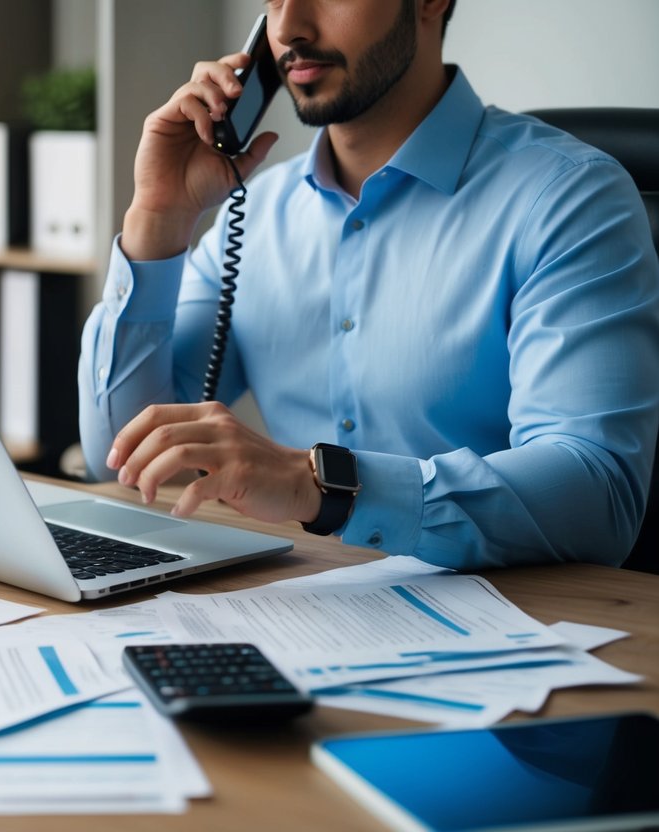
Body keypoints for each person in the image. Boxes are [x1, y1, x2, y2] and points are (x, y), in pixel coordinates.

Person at [78, 0, 659, 570]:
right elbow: (118, 459)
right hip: (303, 608)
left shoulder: (570, 198)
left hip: (512, 628)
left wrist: (322, 487)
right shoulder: (254, 213)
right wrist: (158, 217)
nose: (290, 27)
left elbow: (599, 496)